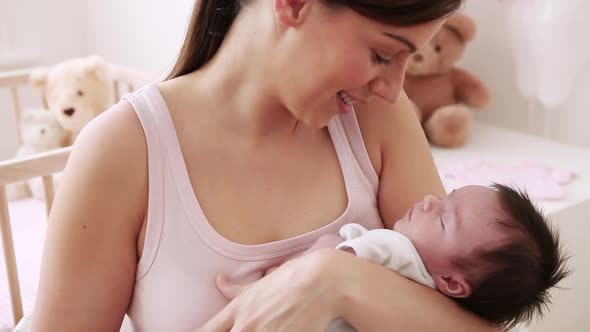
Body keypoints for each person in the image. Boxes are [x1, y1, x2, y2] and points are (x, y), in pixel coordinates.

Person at [28, 0, 515, 331]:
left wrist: (331, 279)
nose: (393, 87)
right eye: (382, 54)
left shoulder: (378, 120)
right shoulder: (124, 151)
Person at [239, 184, 568, 331]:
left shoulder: (396, 250)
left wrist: (269, 283)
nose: (427, 201)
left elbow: (323, 267)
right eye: (443, 197)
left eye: (442, 219)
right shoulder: (434, 305)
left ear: (453, 283)